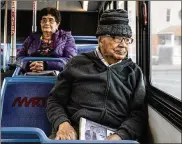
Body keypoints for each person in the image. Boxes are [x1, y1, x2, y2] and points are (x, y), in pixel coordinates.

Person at [46, 9, 147, 141]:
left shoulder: (134, 72)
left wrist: (120, 136)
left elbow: (138, 114)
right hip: (75, 131)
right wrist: (63, 124)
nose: (123, 44)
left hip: (116, 134)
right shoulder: (77, 63)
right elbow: (55, 101)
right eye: (116, 38)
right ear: (100, 39)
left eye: (127, 39)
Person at [17, 7, 77, 73]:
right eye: (44, 20)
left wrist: (46, 65)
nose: (47, 23)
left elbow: (71, 61)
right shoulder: (31, 38)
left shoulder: (66, 38)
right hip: (31, 73)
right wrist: (28, 65)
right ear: (40, 23)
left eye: (51, 20)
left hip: (58, 76)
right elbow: (19, 58)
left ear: (57, 24)